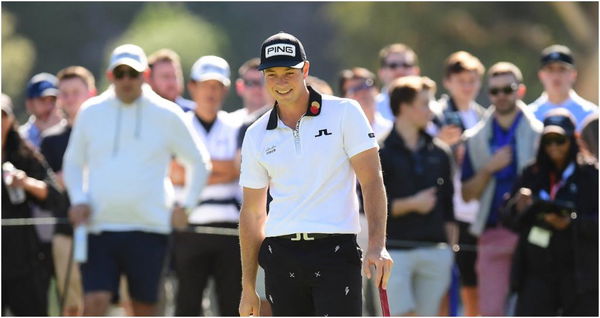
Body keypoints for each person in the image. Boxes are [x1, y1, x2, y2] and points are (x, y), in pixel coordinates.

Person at [238, 31, 393, 317]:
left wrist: (376, 245)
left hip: (336, 251)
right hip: (280, 255)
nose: (280, 82)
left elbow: (371, 181)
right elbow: (252, 213)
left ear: (305, 70)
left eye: (289, 72)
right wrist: (248, 287)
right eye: (272, 74)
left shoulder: (345, 112)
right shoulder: (255, 133)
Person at [62, 44, 212, 316]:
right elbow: (73, 162)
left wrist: (187, 206)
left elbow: (199, 162)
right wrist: (79, 198)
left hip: (149, 228)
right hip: (99, 227)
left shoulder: (167, 113)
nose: (127, 80)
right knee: (95, 303)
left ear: (145, 75)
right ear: (110, 76)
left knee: (145, 308)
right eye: (121, 74)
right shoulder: (91, 112)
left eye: (133, 73)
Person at [461, 62, 542, 316]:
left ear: (520, 90)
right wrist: (489, 169)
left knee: (534, 308)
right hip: (492, 231)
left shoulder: (542, 134)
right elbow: (467, 194)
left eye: (508, 89)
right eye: (495, 91)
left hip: (534, 232)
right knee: (492, 311)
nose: (501, 96)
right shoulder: (474, 138)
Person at [503, 109, 598, 316]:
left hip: (579, 275)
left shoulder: (591, 175)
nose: (553, 146)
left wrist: (572, 223)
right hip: (537, 273)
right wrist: (518, 207)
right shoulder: (532, 173)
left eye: (560, 140)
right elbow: (508, 219)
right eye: (548, 140)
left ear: (573, 140)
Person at [379, 76, 456, 316]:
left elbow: (448, 207)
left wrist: (449, 252)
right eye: (424, 103)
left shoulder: (441, 152)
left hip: (435, 251)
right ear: (404, 107)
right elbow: (369, 206)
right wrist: (412, 204)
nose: (431, 111)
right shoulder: (379, 152)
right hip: (394, 253)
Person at [173, 55, 242, 316]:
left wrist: (196, 169)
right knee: (188, 305)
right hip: (189, 227)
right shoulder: (180, 125)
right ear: (192, 87)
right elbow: (174, 172)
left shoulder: (235, 125)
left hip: (229, 231)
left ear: (225, 89)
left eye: (217, 86)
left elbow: (238, 169)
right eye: (205, 85)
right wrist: (221, 168)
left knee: (231, 304)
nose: (211, 92)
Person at [40, 66, 96, 316]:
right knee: (71, 305)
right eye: (65, 93)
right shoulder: (50, 139)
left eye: (76, 92)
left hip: (101, 228)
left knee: (101, 302)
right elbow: (51, 185)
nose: (70, 98)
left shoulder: (100, 134)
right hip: (64, 230)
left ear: (91, 93)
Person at [2, 95, 65, 316]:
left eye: (2, 116)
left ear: (10, 120)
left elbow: (55, 196)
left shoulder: (24, 154)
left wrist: (25, 183)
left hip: (24, 260)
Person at [435, 50, 486, 316]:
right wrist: (440, 143)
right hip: (445, 209)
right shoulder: (435, 114)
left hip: (474, 210)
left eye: (472, 80)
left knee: (472, 278)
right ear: (448, 81)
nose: (467, 86)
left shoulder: (484, 116)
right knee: (444, 279)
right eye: (461, 79)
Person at [529, 44, 598, 131]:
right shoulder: (530, 116)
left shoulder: (591, 114)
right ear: (541, 75)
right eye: (550, 69)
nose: (556, 75)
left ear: (573, 74)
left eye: (562, 69)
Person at [339, 67, 392, 142]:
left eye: (366, 85)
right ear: (344, 98)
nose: (362, 92)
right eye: (354, 89)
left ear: (377, 89)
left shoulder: (392, 129)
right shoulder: (341, 136)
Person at [375, 43, 420, 122]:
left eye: (406, 65)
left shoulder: (434, 110)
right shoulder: (372, 109)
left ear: (416, 71)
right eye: (393, 65)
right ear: (381, 73)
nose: (400, 70)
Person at [230, 58, 271, 125]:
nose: (257, 88)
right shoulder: (229, 123)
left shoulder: (284, 122)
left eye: (262, 82)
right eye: (250, 83)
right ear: (239, 86)